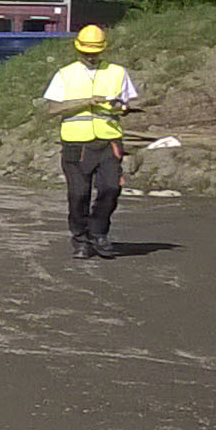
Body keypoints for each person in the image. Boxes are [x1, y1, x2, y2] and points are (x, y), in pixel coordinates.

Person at [42, 23, 137, 260]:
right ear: (78, 49)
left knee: (111, 188)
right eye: (87, 51)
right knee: (78, 194)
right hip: (77, 144)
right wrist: (86, 101)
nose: (90, 56)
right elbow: (52, 109)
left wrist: (121, 108)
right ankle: (81, 239)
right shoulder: (65, 74)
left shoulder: (117, 72)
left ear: (103, 49)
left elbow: (126, 104)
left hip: (108, 140)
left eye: (94, 51)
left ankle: (98, 233)